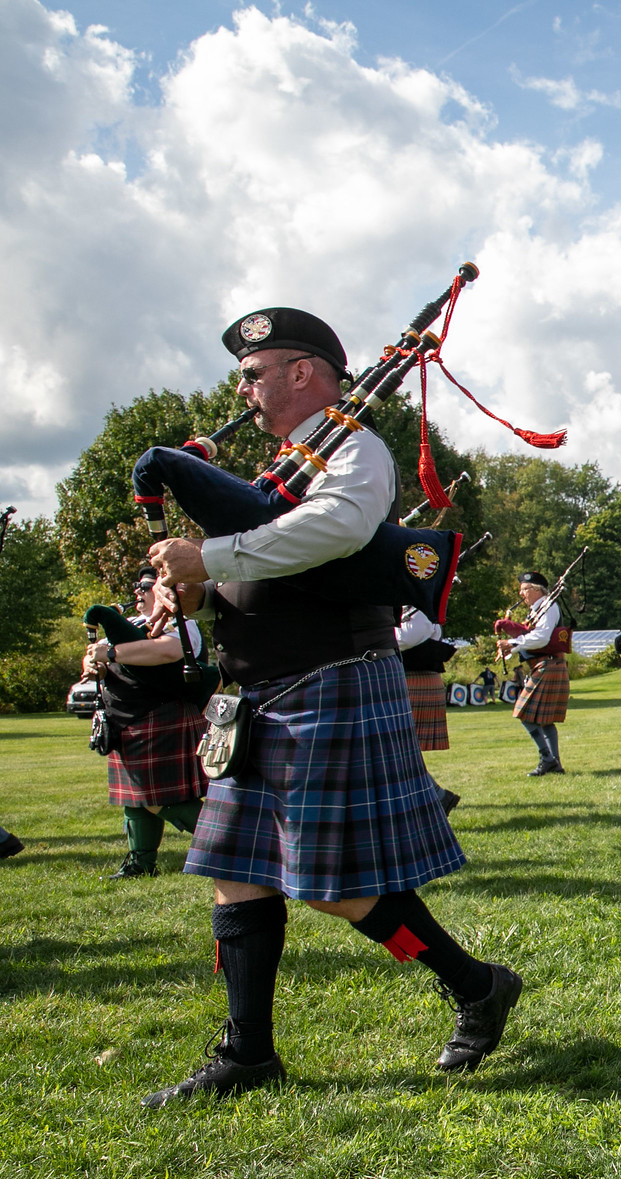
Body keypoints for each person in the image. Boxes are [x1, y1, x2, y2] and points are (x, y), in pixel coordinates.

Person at [140, 305, 521, 1107]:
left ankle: (475, 983)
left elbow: (336, 532)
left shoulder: (354, 450)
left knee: (330, 882)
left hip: (331, 678)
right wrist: (200, 585)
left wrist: (207, 552)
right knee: (234, 872)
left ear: (301, 372)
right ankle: (248, 1053)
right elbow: (267, 566)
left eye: (253, 373)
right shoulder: (281, 467)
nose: (242, 389)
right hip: (261, 689)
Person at [81, 573, 210, 878]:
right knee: (137, 801)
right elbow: (96, 659)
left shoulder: (182, 624)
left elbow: (167, 651)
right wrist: (92, 664)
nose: (137, 592)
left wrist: (111, 653)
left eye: (144, 586)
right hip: (127, 722)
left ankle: (233, 843)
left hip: (163, 718)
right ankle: (140, 863)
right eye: (135, 586)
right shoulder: (130, 628)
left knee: (163, 800)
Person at [499, 571, 569, 775]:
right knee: (545, 720)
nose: (522, 594)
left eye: (525, 589)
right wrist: (509, 648)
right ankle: (555, 763)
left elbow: (541, 638)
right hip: (544, 665)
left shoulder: (548, 607)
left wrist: (512, 642)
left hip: (548, 665)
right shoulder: (536, 610)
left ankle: (548, 759)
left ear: (537, 590)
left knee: (523, 713)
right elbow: (530, 637)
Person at [395, 605, 460, 812]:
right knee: (400, 751)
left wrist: (372, 631)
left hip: (416, 679)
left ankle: (437, 796)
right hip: (407, 679)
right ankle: (435, 796)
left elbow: (405, 639)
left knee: (399, 750)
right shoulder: (405, 606)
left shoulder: (420, 607)